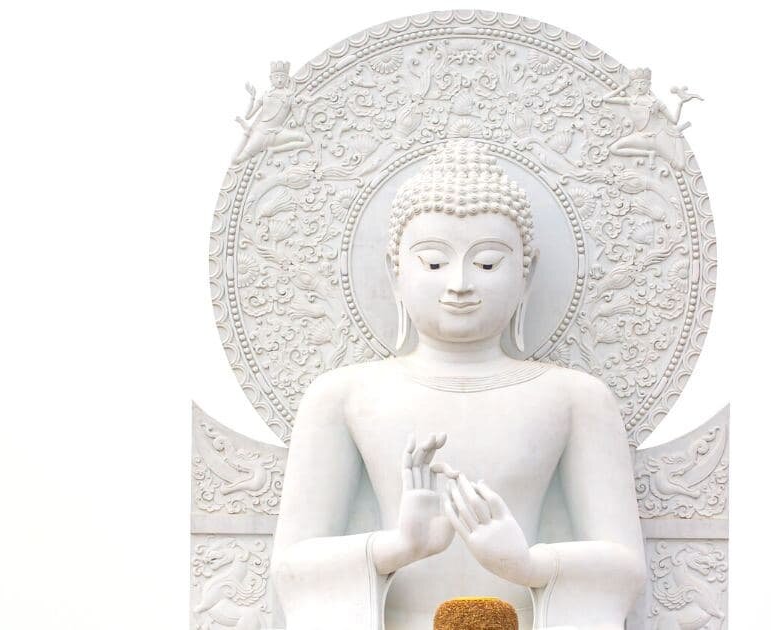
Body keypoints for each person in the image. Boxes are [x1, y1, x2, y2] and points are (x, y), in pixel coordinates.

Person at [270, 140, 646, 630]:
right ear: (394, 272)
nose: (460, 283)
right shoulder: (342, 396)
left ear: (527, 273)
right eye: (433, 262)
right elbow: (291, 569)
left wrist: (528, 566)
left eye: (487, 263)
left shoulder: (575, 398)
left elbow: (625, 567)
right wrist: (398, 546)